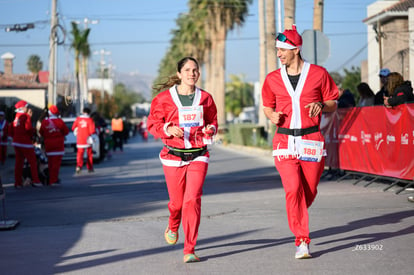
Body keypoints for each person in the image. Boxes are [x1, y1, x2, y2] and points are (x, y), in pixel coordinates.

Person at [261, 25, 339, 259]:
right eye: (277, 49)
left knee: (309, 190)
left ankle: (298, 214)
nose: (279, 53)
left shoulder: (319, 74)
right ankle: (302, 240)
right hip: (284, 139)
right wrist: (271, 115)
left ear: (296, 49)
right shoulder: (272, 78)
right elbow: (267, 105)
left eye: (282, 49)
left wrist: (322, 106)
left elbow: (333, 102)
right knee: (293, 189)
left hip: (311, 139)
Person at [147, 56, 218, 263]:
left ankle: (190, 249)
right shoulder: (163, 99)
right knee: (177, 204)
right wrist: (167, 129)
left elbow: (212, 120)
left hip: (199, 154)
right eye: (187, 70)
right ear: (179, 74)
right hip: (173, 156)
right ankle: (173, 222)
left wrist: (210, 129)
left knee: (192, 200)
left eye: (195, 70)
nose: (192, 74)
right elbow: (153, 124)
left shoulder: (206, 98)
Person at [9, 100, 42, 188]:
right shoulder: (25, 116)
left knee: (19, 163)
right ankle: (35, 180)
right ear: (22, 108)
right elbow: (28, 129)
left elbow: (11, 130)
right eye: (26, 106)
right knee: (33, 161)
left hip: (16, 142)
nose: (27, 108)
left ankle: (18, 182)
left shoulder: (16, 116)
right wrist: (34, 131)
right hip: (24, 142)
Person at [39, 105, 69, 185]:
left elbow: (41, 132)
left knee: (50, 163)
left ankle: (52, 178)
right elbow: (66, 132)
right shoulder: (60, 121)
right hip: (58, 145)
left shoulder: (45, 122)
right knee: (56, 164)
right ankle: (53, 179)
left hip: (48, 145)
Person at [72, 107, 96, 174]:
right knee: (89, 154)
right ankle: (90, 167)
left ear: (83, 112)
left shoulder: (78, 119)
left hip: (80, 139)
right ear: (89, 113)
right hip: (87, 140)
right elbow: (92, 131)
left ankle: (78, 166)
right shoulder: (90, 120)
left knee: (80, 154)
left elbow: (73, 127)